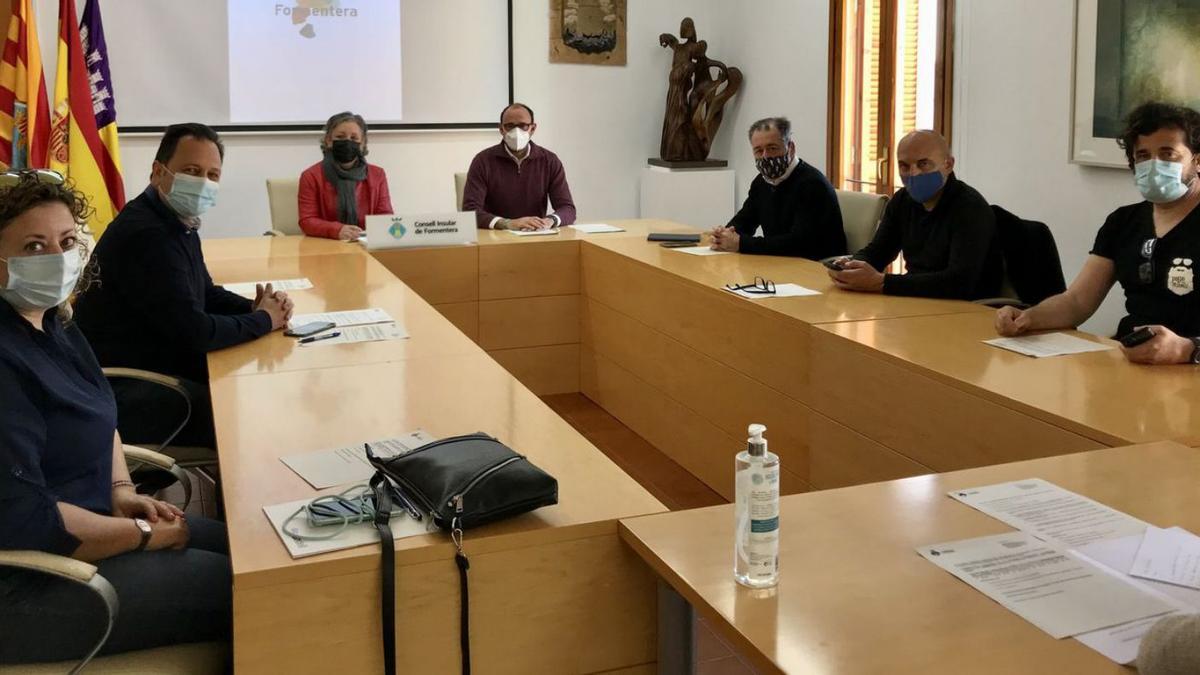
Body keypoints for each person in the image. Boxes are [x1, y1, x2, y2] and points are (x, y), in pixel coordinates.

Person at [0, 173, 230, 664]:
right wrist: (145, 536)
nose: (56, 259)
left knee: (253, 552)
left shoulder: (51, 320)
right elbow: (29, 524)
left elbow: (100, 412)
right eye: (33, 246)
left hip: (93, 529)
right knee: (254, 589)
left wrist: (122, 491)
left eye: (65, 242)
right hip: (33, 583)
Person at [74, 123, 294, 448]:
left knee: (245, 383)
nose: (203, 183)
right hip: (123, 386)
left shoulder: (174, 220)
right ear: (158, 172)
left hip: (154, 360)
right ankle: (235, 495)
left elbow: (204, 292)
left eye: (212, 175)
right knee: (242, 411)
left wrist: (253, 307)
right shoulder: (148, 234)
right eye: (191, 171)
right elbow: (196, 332)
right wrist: (264, 320)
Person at [996, 102, 1200, 365]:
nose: (1154, 164)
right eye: (1143, 155)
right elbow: (1078, 301)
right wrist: (1027, 318)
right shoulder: (1123, 222)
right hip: (1133, 359)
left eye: (1167, 154)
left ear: (1196, 160)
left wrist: (1187, 349)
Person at [828, 129, 1003, 299]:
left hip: (966, 309)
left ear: (948, 164)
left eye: (923, 164)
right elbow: (879, 250)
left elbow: (959, 281)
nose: (913, 173)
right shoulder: (903, 200)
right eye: (904, 166)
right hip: (915, 300)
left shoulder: (969, 207)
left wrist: (883, 283)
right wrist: (850, 266)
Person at [709, 116, 846, 258]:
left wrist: (741, 243)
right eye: (758, 151)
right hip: (780, 261)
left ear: (790, 147)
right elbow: (745, 221)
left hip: (816, 266)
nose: (765, 156)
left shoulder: (812, 184)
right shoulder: (761, 182)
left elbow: (799, 243)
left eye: (772, 148)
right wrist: (723, 236)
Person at [462, 103, 577, 231]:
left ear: (532, 129)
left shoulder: (549, 161)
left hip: (535, 237)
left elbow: (568, 208)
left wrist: (549, 221)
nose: (516, 131)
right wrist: (507, 224)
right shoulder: (482, 161)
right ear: (501, 129)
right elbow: (470, 211)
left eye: (523, 126)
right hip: (495, 239)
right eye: (509, 126)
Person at [297, 111, 394, 240]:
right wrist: (337, 230)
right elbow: (307, 221)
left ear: (363, 143)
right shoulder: (311, 176)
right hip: (326, 245)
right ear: (328, 140)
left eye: (354, 138)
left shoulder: (377, 175)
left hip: (366, 244)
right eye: (340, 137)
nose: (347, 142)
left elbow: (385, 216)